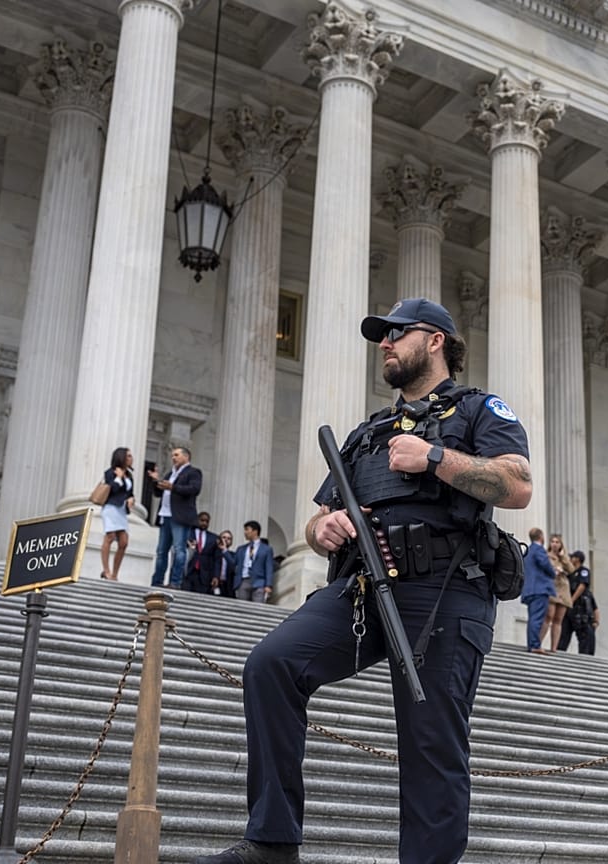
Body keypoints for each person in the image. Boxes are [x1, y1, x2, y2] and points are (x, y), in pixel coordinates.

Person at [192, 297, 532, 864]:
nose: (386, 343)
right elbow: (320, 514)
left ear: (436, 340)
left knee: (430, 742)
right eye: (382, 335)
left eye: (398, 332)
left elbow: (517, 485)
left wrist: (434, 457)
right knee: (272, 664)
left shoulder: (478, 410)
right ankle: (273, 841)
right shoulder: (369, 431)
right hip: (363, 586)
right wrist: (321, 528)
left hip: (445, 590)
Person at [147, 446, 203, 588]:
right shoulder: (170, 474)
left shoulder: (193, 472)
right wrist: (156, 481)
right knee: (161, 551)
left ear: (186, 457)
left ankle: (175, 582)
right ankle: (157, 581)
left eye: (177, 455)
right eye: (173, 455)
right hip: (165, 515)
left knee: (179, 549)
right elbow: (158, 494)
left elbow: (194, 489)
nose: (173, 458)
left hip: (180, 516)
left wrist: (173, 487)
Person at [99, 447, 136, 581]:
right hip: (110, 508)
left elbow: (130, 493)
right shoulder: (110, 472)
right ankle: (106, 570)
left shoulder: (129, 475)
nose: (131, 458)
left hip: (121, 510)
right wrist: (118, 478)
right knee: (109, 537)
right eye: (129, 456)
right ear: (122, 457)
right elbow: (112, 489)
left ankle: (115, 573)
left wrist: (131, 499)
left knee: (124, 542)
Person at [556, 550, 596, 655]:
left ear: (577, 559)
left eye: (572, 557)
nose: (570, 559)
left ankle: (585, 658)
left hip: (580, 608)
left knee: (584, 637)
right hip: (569, 608)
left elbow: (582, 586)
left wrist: (571, 600)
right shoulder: (570, 573)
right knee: (564, 634)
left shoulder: (583, 571)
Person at [521, 528, 553, 653]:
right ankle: (534, 645)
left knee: (533, 618)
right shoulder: (539, 549)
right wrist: (553, 572)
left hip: (529, 590)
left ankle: (532, 644)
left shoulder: (528, 551)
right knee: (537, 618)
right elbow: (545, 564)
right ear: (541, 536)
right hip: (539, 589)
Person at [544, 533, 573, 651]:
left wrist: (563, 558)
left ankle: (554, 647)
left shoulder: (563, 558)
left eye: (557, 542)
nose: (555, 544)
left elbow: (571, 570)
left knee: (558, 619)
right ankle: (538, 642)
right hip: (552, 587)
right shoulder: (546, 555)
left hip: (563, 588)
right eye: (553, 542)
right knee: (549, 615)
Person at [182, 512, 222, 594]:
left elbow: (217, 559)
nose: (204, 523)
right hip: (188, 571)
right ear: (197, 520)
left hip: (204, 574)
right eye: (202, 520)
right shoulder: (188, 533)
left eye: (207, 521)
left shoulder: (214, 538)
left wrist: (216, 576)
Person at [234, 521, 275, 603]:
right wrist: (224, 551)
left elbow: (269, 567)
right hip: (243, 581)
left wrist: (268, 585)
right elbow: (234, 563)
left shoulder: (266, 549)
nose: (245, 532)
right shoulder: (241, 549)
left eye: (247, 529)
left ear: (255, 531)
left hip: (259, 582)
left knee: (258, 606)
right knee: (241, 606)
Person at [214, 530, 235, 596]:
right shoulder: (212, 553)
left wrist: (225, 550)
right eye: (224, 537)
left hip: (228, 586)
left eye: (229, 538)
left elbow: (233, 566)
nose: (226, 540)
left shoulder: (233, 555)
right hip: (214, 584)